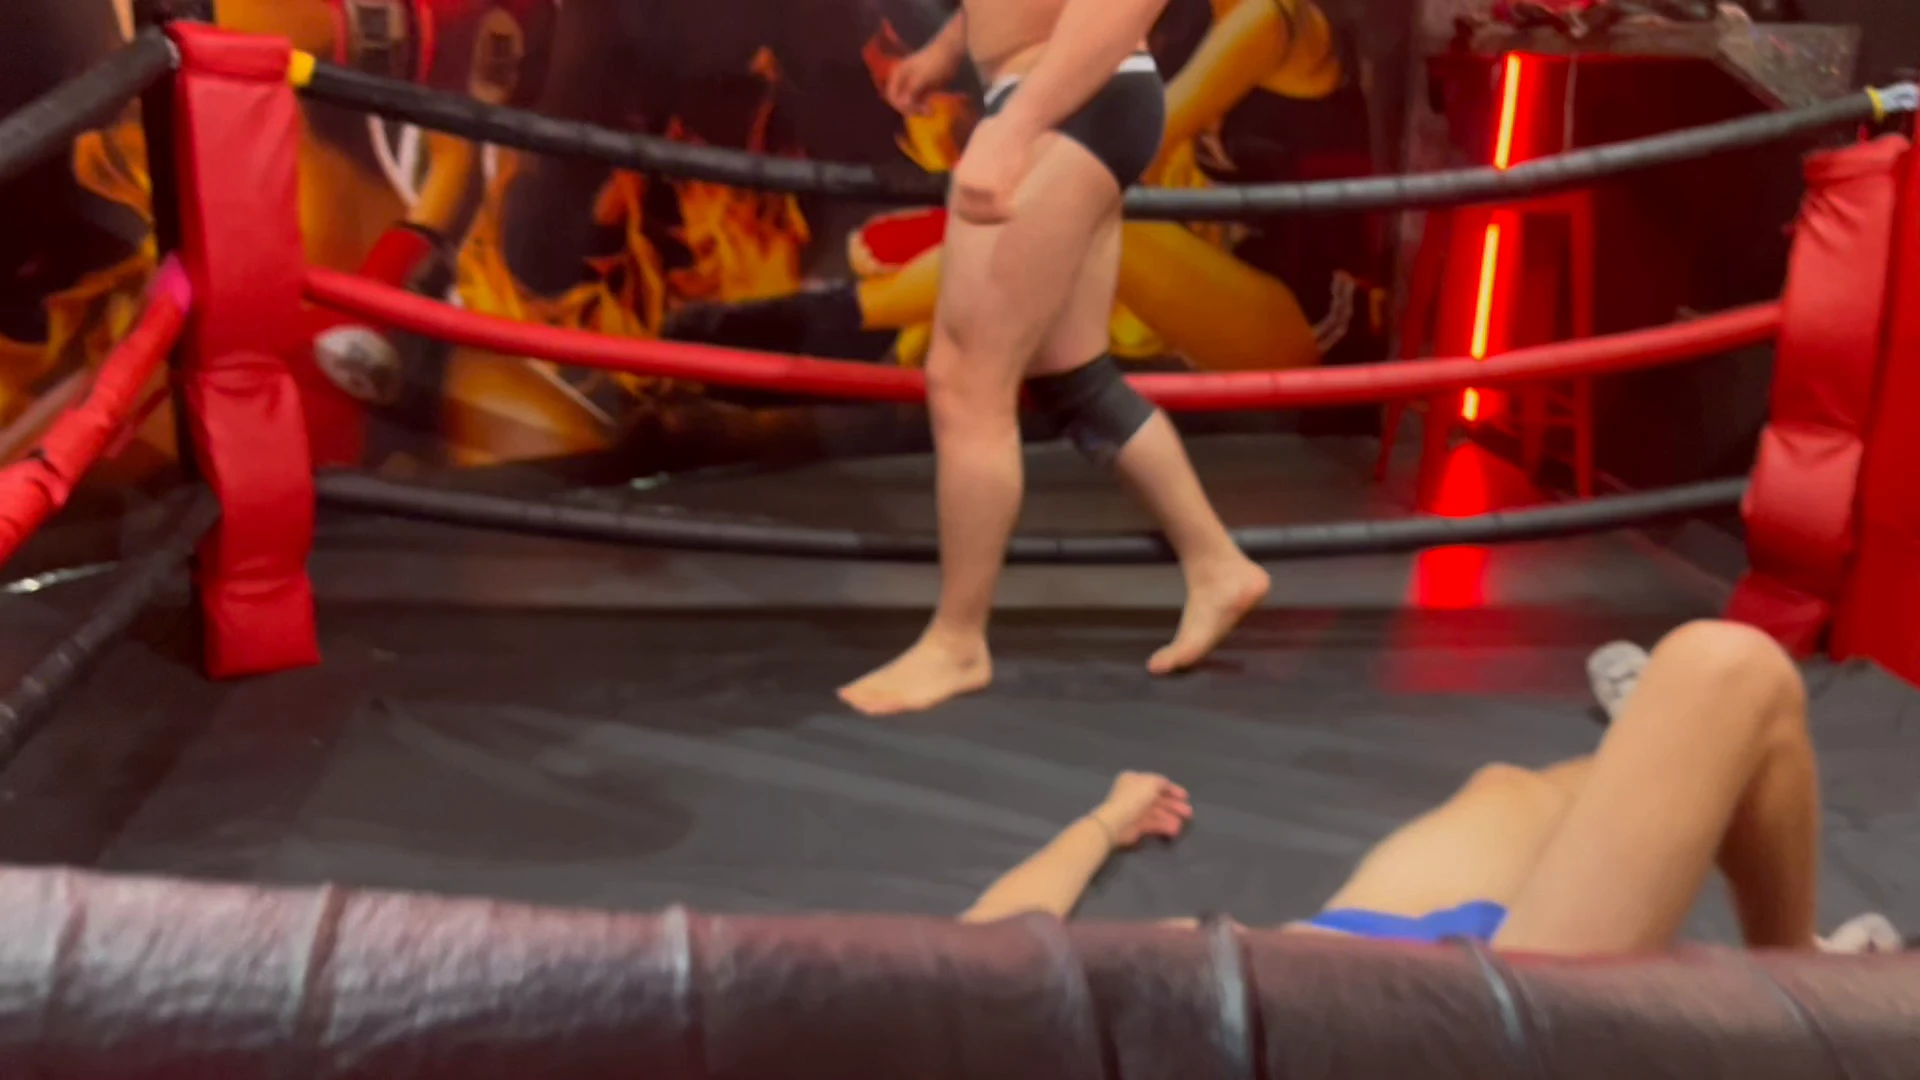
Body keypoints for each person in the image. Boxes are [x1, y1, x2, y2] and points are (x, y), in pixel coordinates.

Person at [960, 620, 1900, 954]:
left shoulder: (994, 1023)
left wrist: (1106, 820)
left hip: (1351, 946)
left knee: (1511, 789)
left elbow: (989, 942)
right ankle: (1799, 988)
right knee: (1726, 674)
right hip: (1479, 1027)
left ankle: (1654, 743)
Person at [837, 0, 1272, 717]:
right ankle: (1217, 563)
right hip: (1069, 99)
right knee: (1072, 374)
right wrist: (950, 48)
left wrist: (1015, 126)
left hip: (1068, 100)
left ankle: (957, 644)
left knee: (965, 378)